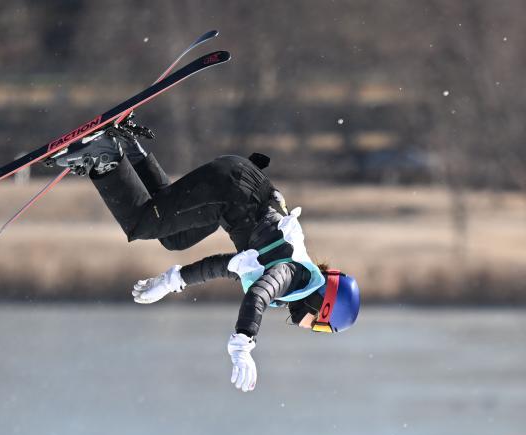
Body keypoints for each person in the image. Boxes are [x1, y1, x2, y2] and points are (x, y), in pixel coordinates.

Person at [58, 121, 361, 393]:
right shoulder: (294, 275)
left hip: (234, 189)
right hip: (230, 191)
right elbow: (258, 295)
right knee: (142, 223)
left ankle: (128, 147)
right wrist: (242, 343)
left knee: (174, 237)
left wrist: (172, 281)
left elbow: (225, 267)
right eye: (321, 326)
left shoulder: (291, 272)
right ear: (323, 303)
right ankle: (103, 155)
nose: (310, 329)